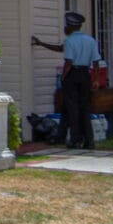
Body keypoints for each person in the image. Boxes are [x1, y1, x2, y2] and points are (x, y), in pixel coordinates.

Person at [32, 12, 101, 150]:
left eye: (66, 25)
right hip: (85, 75)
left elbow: (68, 61)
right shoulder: (90, 40)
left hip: (72, 75)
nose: (65, 28)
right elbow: (96, 61)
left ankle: (74, 140)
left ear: (70, 27)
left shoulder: (70, 40)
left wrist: (63, 76)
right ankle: (89, 140)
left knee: (72, 108)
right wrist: (96, 79)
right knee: (85, 108)